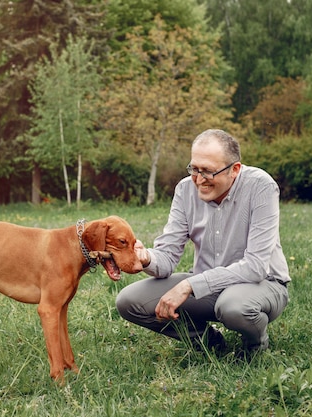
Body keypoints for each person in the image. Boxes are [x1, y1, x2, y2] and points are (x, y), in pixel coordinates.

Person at [116, 129, 290, 357]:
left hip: (263, 285)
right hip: (207, 288)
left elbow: (255, 266)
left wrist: (188, 286)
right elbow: (167, 257)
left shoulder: (261, 186)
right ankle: (210, 343)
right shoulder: (184, 189)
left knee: (233, 307)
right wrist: (146, 257)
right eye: (194, 169)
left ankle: (255, 345)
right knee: (129, 301)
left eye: (207, 172)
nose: (198, 180)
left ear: (234, 170)